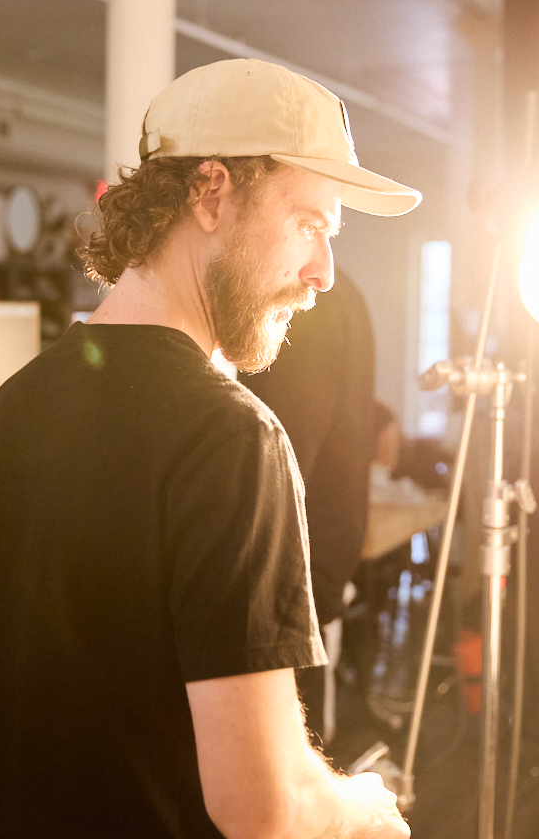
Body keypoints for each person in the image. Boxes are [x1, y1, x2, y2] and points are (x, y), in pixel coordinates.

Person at [0, 58, 420, 838]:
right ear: (211, 193)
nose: (323, 273)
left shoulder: (8, 410)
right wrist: (362, 812)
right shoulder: (233, 439)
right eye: (309, 225)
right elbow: (262, 807)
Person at [241, 270, 376, 744]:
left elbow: (283, 456)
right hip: (310, 570)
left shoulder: (306, 303)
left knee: (290, 753)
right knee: (304, 744)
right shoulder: (335, 295)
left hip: (290, 580)